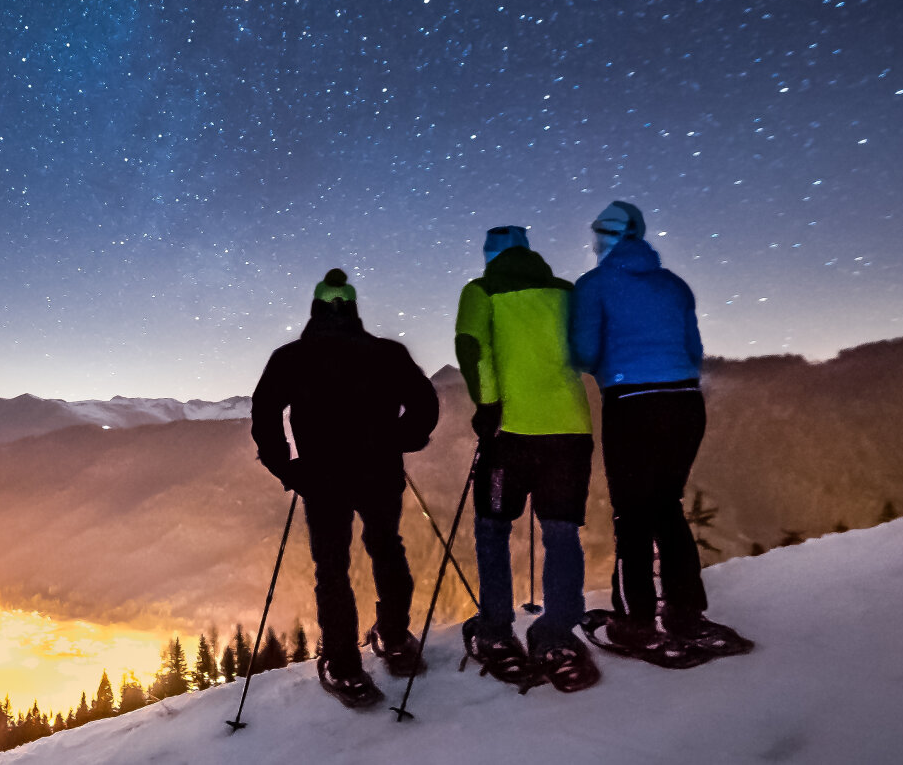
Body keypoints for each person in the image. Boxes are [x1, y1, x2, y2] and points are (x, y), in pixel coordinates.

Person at [569, 201, 752, 664]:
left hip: (632, 403)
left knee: (631, 514)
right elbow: (693, 349)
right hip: (686, 402)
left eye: (599, 232)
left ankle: (636, 622)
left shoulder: (593, 286)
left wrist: (609, 366)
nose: (595, 240)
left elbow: (585, 351)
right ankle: (686, 613)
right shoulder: (674, 285)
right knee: (666, 506)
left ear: (609, 236)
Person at [251, 268, 440, 709]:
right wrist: (402, 438)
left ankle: (344, 665)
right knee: (387, 548)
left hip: (322, 478)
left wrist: (286, 468)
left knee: (331, 569)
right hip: (380, 472)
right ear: (353, 309)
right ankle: (394, 640)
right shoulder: (387, 353)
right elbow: (425, 405)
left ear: (315, 309)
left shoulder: (292, 357)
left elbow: (264, 414)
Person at [454, 225, 600, 693]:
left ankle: (497, 629)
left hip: (511, 436)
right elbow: (587, 351)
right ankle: (555, 637)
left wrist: (489, 405)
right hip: (571, 431)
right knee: (561, 533)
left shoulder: (480, 290)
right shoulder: (565, 291)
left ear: (490, 255)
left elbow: (471, 347)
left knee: (493, 528)